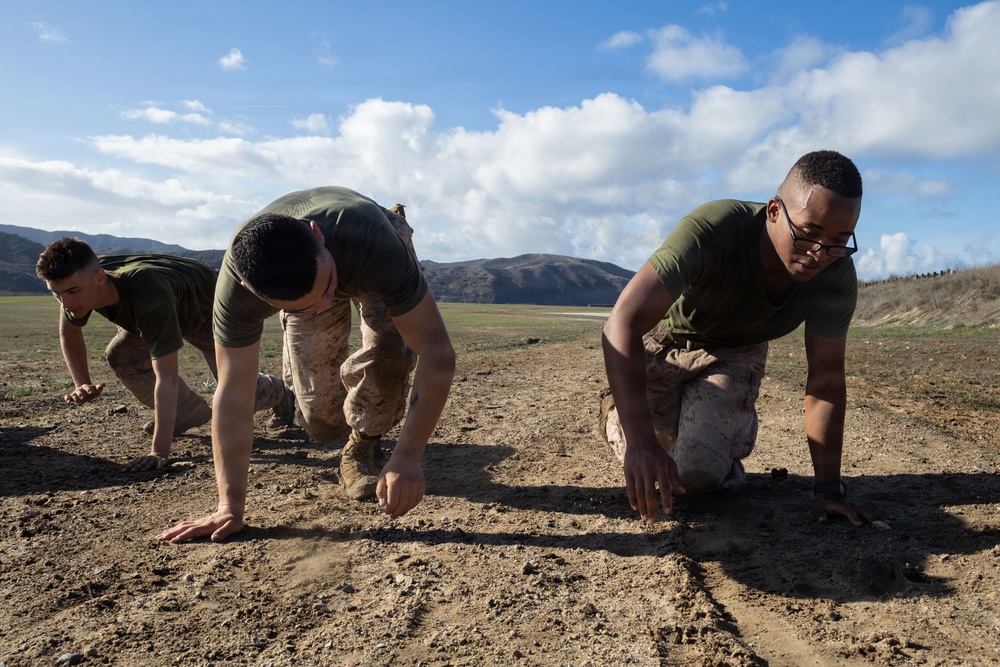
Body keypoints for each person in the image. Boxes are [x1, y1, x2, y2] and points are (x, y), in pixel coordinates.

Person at [600, 150, 892, 526]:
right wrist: (640, 442)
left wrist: (828, 491)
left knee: (696, 476)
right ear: (774, 211)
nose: (819, 255)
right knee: (645, 448)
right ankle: (614, 407)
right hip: (663, 345)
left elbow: (827, 380)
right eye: (808, 234)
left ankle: (717, 449)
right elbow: (622, 322)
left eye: (839, 240)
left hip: (735, 356)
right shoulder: (716, 227)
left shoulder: (834, 276)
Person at [157, 186, 455, 543]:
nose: (328, 303)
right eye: (311, 302)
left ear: (318, 234)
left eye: (329, 288)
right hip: (320, 268)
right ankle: (310, 309)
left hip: (365, 250)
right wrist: (229, 507)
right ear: (251, 290)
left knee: (390, 352)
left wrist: (408, 457)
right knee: (319, 417)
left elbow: (437, 353)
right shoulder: (237, 293)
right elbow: (233, 391)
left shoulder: (375, 246)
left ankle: (363, 444)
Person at [36, 238, 291, 472]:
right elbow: (69, 332)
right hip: (161, 306)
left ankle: (282, 394)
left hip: (209, 306)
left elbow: (166, 377)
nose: (65, 303)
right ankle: (187, 410)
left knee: (236, 391)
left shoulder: (146, 292)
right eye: (56, 293)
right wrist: (82, 382)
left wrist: (159, 451)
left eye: (72, 292)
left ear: (100, 277)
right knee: (123, 355)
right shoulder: (79, 283)